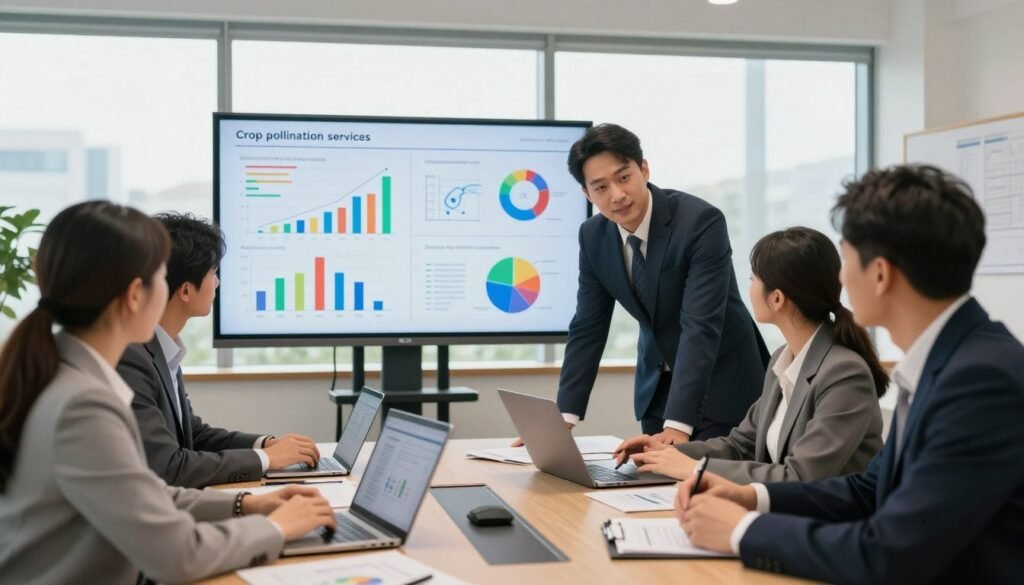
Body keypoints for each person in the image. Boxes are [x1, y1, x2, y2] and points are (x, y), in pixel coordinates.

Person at [676, 165, 1024, 584]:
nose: (839, 279)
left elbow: (890, 554)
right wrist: (750, 496)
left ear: (879, 274)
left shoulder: (980, 380)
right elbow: (865, 490)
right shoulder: (947, 361)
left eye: (846, 259)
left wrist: (741, 529)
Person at [0, 202, 336, 584]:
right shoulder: (82, 406)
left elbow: (145, 495)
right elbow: (179, 554)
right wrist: (277, 528)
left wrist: (248, 504)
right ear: (134, 295)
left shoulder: (61, 374)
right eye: (162, 276)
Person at [540, 123, 768, 446]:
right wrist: (563, 418)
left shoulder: (700, 223)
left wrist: (677, 425)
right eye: (601, 187)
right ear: (587, 194)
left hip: (722, 389)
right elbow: (588, 326)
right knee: (652, 491)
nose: (617, 195)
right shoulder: (593, 236)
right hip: (657, 394)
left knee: (705, 491)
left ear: (644, 169)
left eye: (623, 177)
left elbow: (700, 326)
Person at [613, 227, 886, 483]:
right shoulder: (784, 359)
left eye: (754, 278)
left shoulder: (844, 374)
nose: (749, 286)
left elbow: (801, 476)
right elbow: (739, 445)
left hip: (835, 524)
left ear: (777, 298)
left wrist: (697, 469)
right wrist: (666, 453)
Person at [117, 213, 320, 488]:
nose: (218, 283)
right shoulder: (132, 357)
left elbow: (194, 434)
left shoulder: (161, 348)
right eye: (213, 272)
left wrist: (267, 444)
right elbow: (169, 467)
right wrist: (265, 459)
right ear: (186, 291)